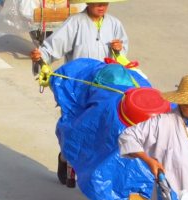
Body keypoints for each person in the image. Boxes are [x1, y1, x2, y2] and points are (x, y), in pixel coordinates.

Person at [30, 0, 129, 186]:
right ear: (89, 3)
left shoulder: (115, 24)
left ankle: (91, 169)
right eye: (97, 3)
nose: (101, 7)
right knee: (73, 125)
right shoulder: (75, 22)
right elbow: (52, 46)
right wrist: (40, 57)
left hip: (104, 88)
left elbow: (123, 54)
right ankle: (65, 158)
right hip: (78, 86)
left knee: (100, 128)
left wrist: (118, 50)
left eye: (105, 3)